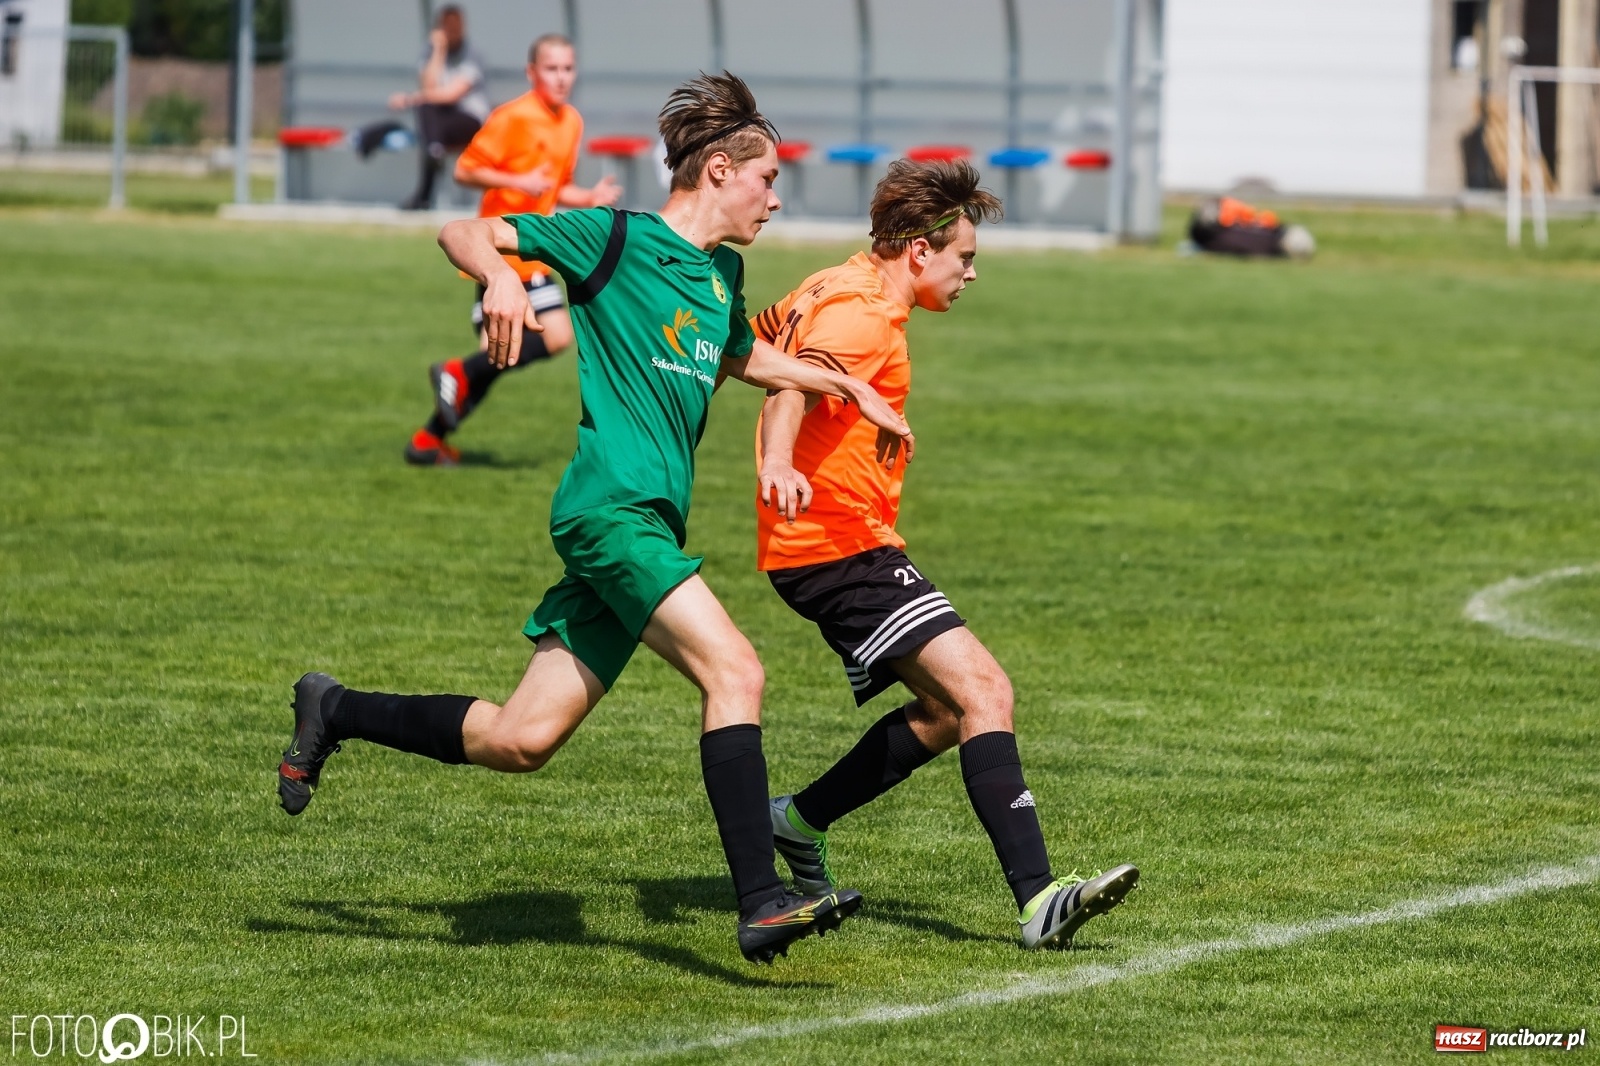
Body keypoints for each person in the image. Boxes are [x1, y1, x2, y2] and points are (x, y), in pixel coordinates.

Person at [277, 73, 916, 965]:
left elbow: (746, 358)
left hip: (645, 525)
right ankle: (764, 901)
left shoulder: (722, 273)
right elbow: (462, 229)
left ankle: (335, 708)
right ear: (720, 169)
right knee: (736, 670)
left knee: (520, 739)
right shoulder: (615, 238)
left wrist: (846, 387)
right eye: (768, 179)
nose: (776, 198)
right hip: (609, 514)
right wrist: (500, 279)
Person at [752, 159, 1139, 950]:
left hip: (830, 542)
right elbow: (794, 384)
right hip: (836, 546)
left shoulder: (830, 283)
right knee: (985, 692)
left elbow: (759, 349)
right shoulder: (862, 315)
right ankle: (1040, 902)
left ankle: (799, 820)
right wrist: (780, 460)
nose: (971, 273)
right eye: (964, 256)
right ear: (918, 250)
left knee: (939, 714)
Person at [405, 33, 622, 467]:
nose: (561, 78)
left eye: (567, 69)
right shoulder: (513, 117)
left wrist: (588, 197)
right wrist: (515, 181)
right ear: (531, 72)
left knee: (503, 354)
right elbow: (465, 169)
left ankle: (429, 436)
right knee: (521, 347)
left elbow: (555, 187)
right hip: (497, 253)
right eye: (551, 69)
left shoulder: (571, 121)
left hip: (534, 252)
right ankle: (451, 387)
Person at [387, 5, 492, 212]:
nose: (453, 31)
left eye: (456, 26)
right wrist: (438, 50)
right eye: (448, 27)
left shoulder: (472, 55)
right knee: (427, 113)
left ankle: (427, 181)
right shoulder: (430, 53)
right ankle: (434, 152)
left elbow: (452, 95)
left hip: (470, 120)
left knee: (426, 117)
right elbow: (429, 87)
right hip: (441, 124)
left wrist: (409, 99)